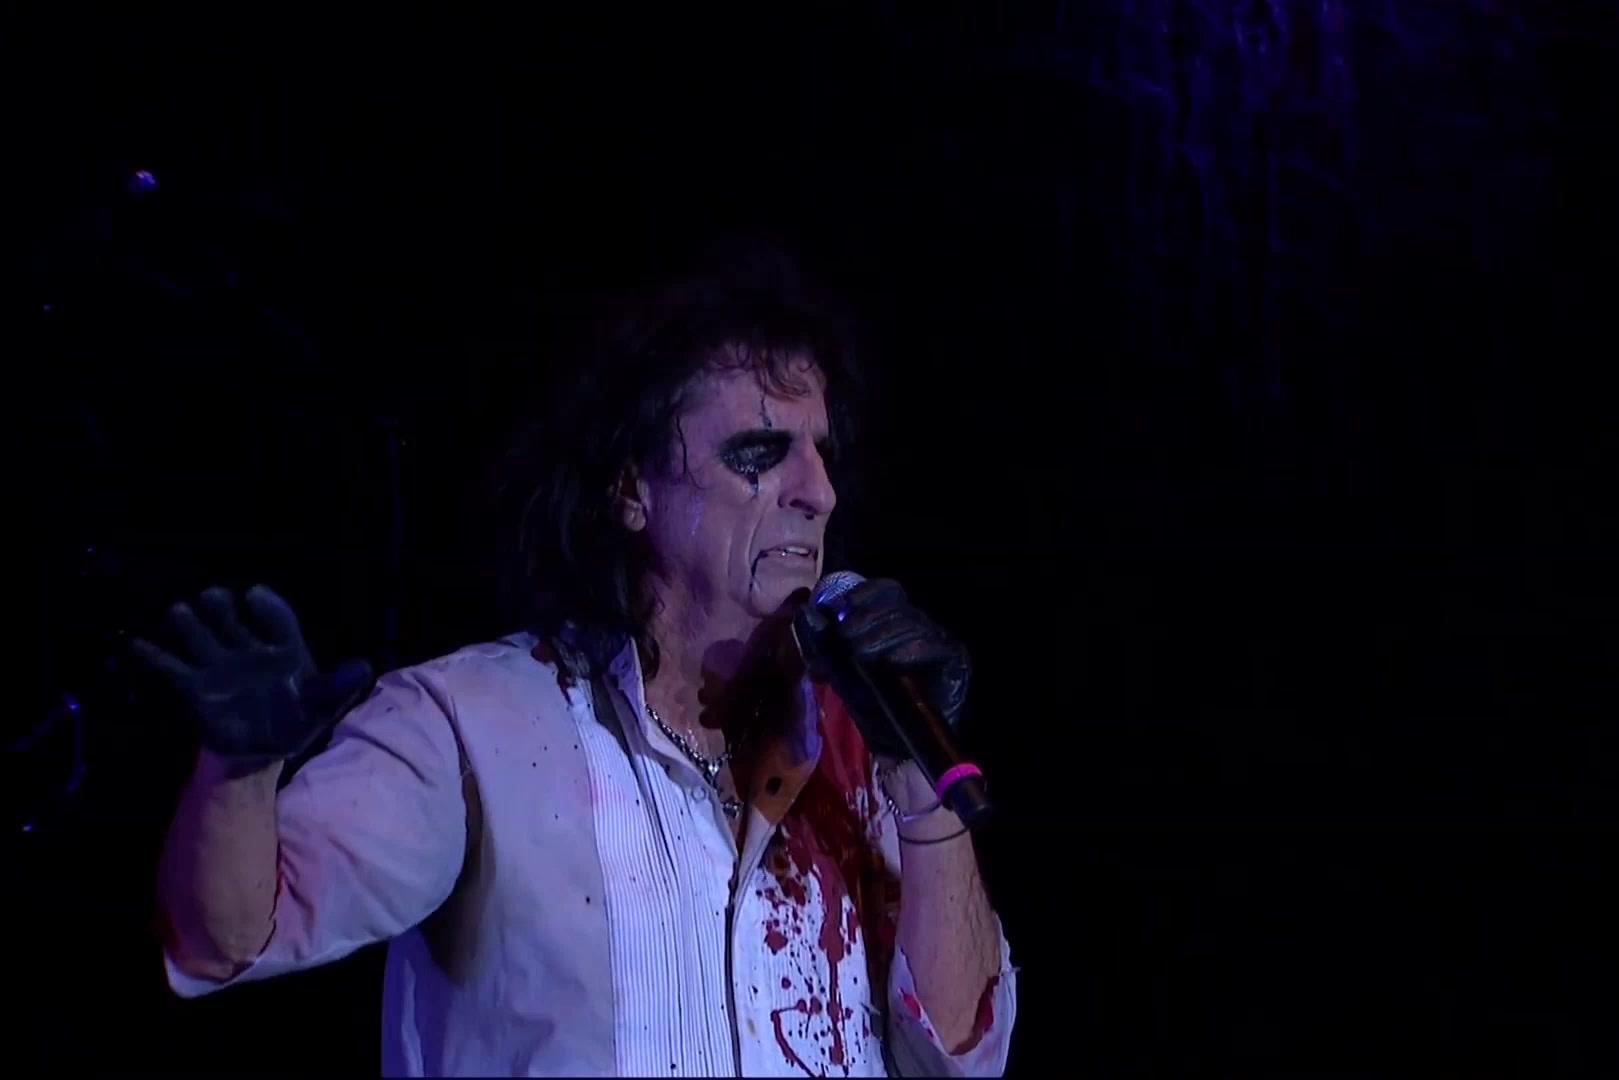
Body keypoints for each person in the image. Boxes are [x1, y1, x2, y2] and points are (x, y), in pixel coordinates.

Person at [132, 243, 1017, 1076]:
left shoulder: (860, 748)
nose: (818, 492)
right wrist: (239, 771)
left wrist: (915, 778)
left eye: (824, 454)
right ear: (632, 489)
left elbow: (961, 1056)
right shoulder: (472, 723)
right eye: (760, 453)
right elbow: (227, 937)